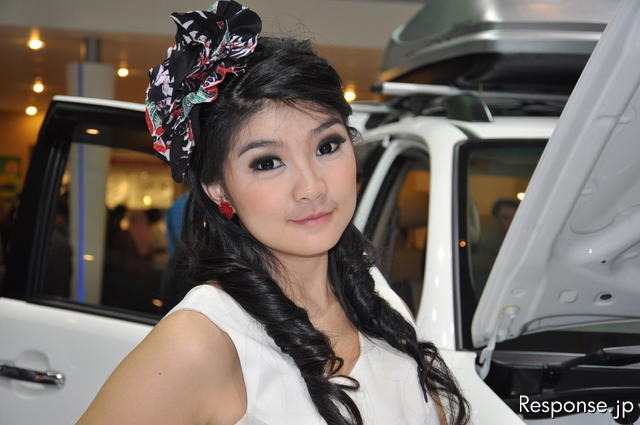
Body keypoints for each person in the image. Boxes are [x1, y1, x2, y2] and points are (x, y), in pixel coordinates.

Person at [76, 2, 470, 425]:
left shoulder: (374, 296)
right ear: (217, 186)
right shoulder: (203, 341)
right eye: (267, 163)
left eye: (327, 146)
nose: (312, 187)